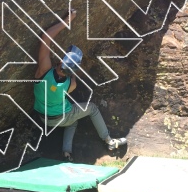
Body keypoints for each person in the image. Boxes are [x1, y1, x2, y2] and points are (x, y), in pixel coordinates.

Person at [33, 9, 127, 162]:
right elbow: (73, 80)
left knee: (72, 120)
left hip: (43, 118)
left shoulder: (43, 72)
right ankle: (109, 141)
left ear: (61, 61)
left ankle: (66, 153)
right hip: (60, 117)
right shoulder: (71, 84)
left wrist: (66, 21)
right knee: (91, 108)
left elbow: (45, 38)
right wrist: (73, 73)